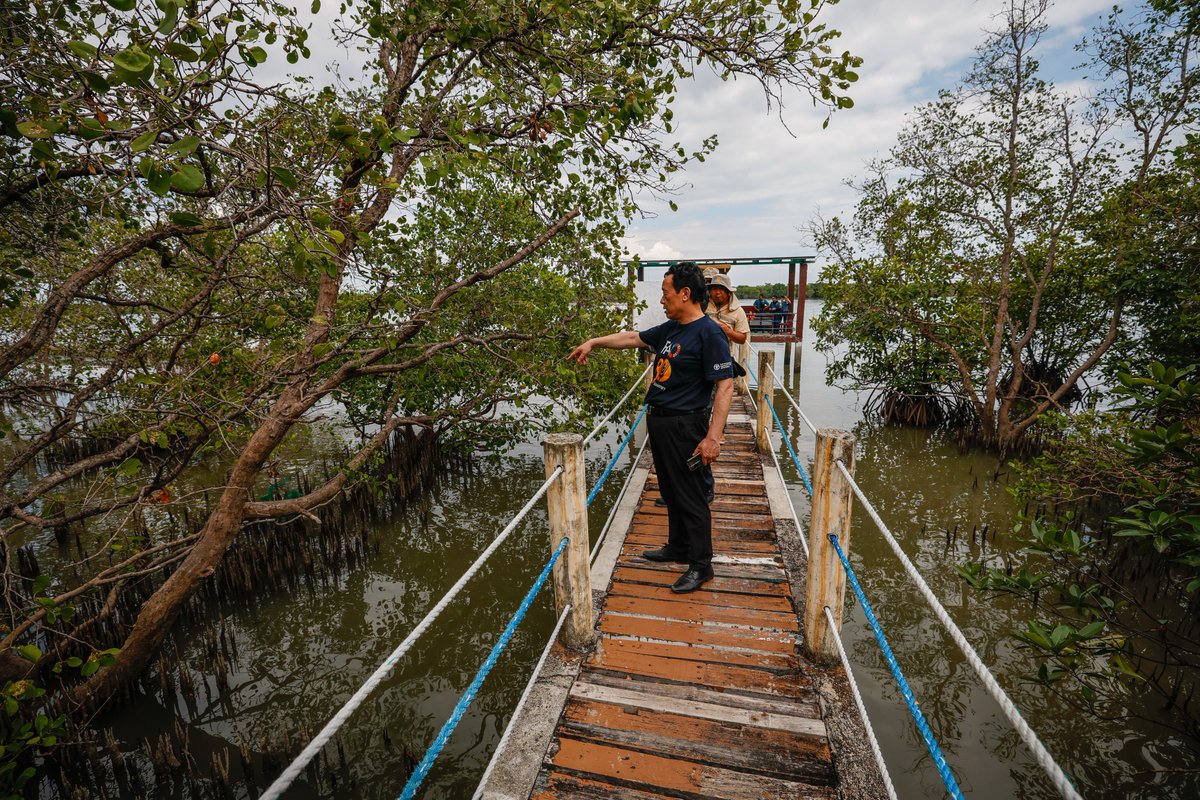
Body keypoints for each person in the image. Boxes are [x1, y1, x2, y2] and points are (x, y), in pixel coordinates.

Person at [568, 261, 733, 593]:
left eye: (665, 293)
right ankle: (678, 546)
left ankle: (701, 564)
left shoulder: (709, 332)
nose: (662, 300)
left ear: (685, 294)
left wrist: (713, 437)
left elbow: (726, 385)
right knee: (671, 491)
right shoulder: (672, 329)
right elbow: (632, 337)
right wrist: (593, 342)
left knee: (691, 495)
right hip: (660, 420)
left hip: (687, 425)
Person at [704, 273, 751, 395]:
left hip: (722, 358)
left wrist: (728, 331)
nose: (717, 292)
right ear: (709, 291)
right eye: (714, 289)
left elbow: (742, 338)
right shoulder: (702, 305)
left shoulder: (738, 311)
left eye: (721, 289)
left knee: (722, 392)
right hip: (701, 356)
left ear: (728, 292)